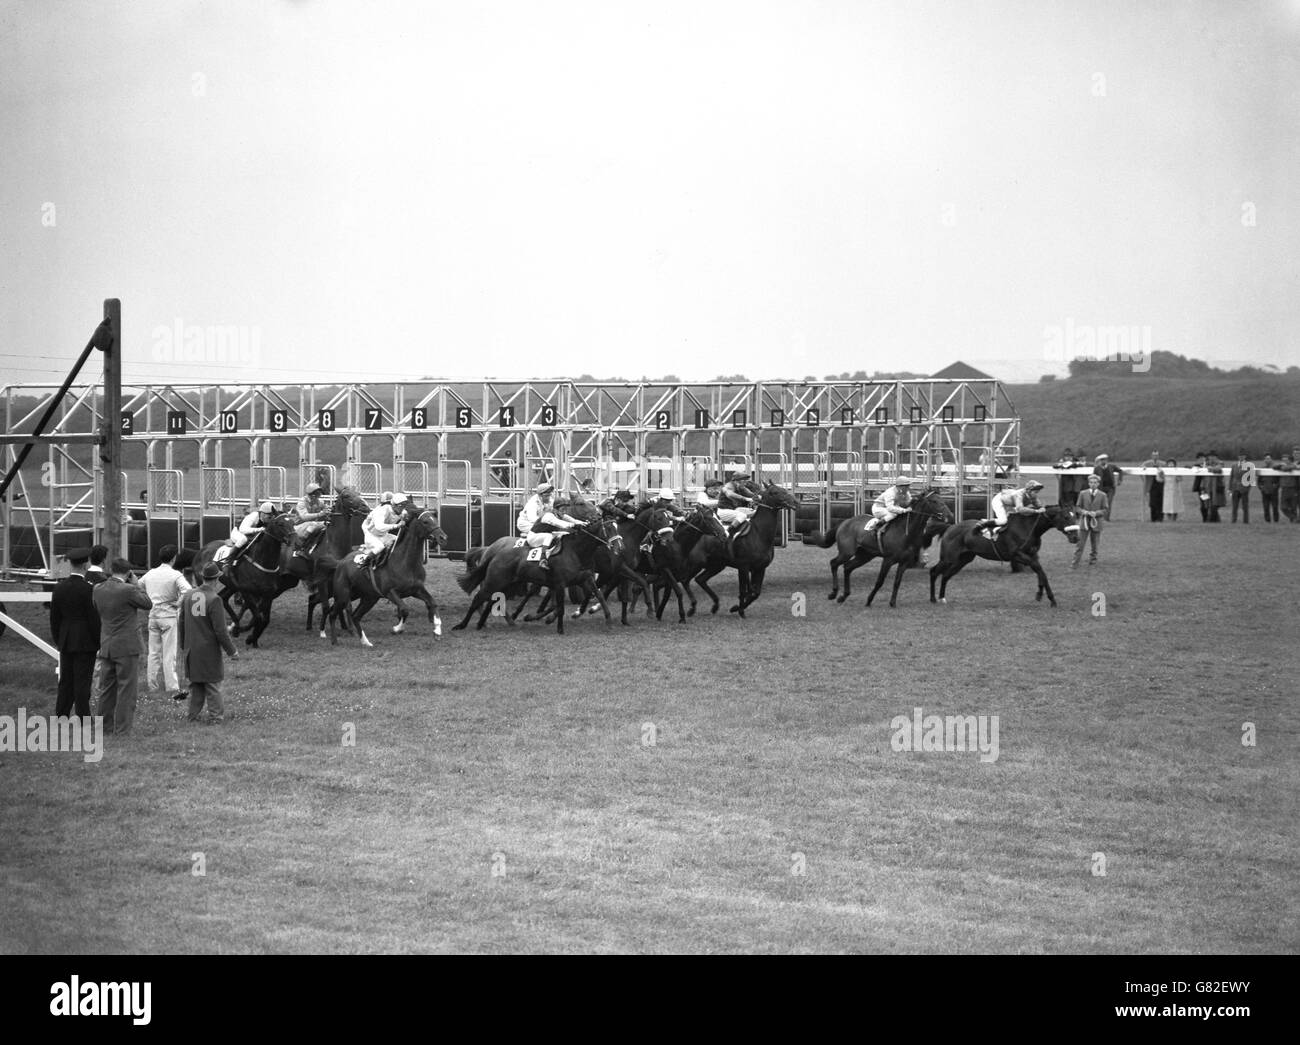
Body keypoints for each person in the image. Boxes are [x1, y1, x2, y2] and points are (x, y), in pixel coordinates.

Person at [92, 558, 153, 735]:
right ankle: (123, 729)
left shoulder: (97, 589)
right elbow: (147, 603)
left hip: (106, 644)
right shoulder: (129, 590)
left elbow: (96, 608)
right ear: (129, 573)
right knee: (127, 689)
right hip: (126, 646)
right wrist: (136, 584)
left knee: (106, 689)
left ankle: (104, 727)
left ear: (111, 569)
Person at [177, 562, 239, 724]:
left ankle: (192, 716)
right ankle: (216, 717)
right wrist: (232, 651)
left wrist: (183, 644)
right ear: (216, 579)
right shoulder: (215, 599)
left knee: (196, 684)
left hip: (191, 649)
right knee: (212, 685)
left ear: (203, 577)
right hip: (208, 650)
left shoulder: (188, 596)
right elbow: (220, 631)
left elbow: (181, 621)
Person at [49, 547, 101, 718]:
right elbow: (93, 619)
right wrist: (98, 640)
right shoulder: (88, 589)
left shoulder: (59, 588)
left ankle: (61, 714)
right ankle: (83, 716)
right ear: (86, 565)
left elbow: (54, 618)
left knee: (65, 681)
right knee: (82, 681)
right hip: (85, 640)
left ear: (70, 564)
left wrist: (59, 639)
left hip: (65, 638)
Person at [140, 544, 192, 702]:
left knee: (153, 653)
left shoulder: (150, 573)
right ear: (173, 558)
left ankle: (152, 685)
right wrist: (179, 602)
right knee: (169, 653)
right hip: (168, 616)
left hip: (153, 615)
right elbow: (188, 590)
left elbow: (139, 586)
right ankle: (172, 686)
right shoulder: (175, 574)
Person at [978, 480, 1045, 540]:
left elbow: (1039, 506)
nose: (1036, 494)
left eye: (1037, 492)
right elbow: (1020, 509)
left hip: (1010, 504)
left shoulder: (1032, 496)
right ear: (1029, 490)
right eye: (1035, 492)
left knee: (1015, 520)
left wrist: (1041, 508)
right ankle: (984, 523)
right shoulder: (1018, 494)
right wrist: (1035, 511)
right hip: (999, 501)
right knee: (1003, 521)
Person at [359, 492, 408, 565]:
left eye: (404, 506)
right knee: (380, 547)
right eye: (401, 506)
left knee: (401, 540)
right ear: (394, 505)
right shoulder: (381, 510)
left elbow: (406, 515)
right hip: (371, 535)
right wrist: (397, 525)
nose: (402, 509)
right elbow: (379, 527)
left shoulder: (400, 511)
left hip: (384, 535)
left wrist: (406, 519)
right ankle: (363, 562)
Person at [1072, 474, 1108, 568]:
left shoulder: (1102, 495)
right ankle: (1075, 562)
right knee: (1080, 544)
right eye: (1091, 482)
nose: (1093, 484)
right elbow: (1078, 507)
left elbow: (1105, 509)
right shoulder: (1082, 493)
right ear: (1088, 483)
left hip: (1097, 522)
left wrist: (1096, 513)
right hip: (1084, 522)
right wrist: (1084, 512)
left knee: (1095, 544)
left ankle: (1093, 561)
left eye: (1095, 483)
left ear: (1098, 484)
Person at [291, 482, 329, 553]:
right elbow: (304, 517)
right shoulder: (302, 502)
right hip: (298, 527)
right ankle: (301, 545)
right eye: (318, 493)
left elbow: (326, 510)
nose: (319, 495)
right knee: (313, 524)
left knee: (327, 524)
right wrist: (320, 514)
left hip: (311, 526)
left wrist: (328, 511)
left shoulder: (319, 501)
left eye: (319, 493)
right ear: (312, 494)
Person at [1228, 450, 1255, 524]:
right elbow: (1231, 477)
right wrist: (1230, 488)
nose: (1241, 457)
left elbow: (1251, 479)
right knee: (1234, 506)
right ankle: (1233, 520)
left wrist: (1247, 488)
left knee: (1245, 506)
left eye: (1242, 455)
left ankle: (1246, 521)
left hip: (1244, 488)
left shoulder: (1249, 465)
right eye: (1239, 456)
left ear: (1245, 456)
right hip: (1235, 488)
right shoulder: (1234, 465)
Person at [1258, 454, 1280, 523]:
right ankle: (1267, 520)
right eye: (1266, 459)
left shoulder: (1275, 468)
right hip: (1265, 491)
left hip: (1273, 491)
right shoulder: (1262, 469)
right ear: (1264, 460)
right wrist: (1261, 487)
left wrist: (1275, 487)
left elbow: (1279, 480)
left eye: (1268, 458)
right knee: (1266, 507)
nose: (1267, 460)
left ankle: (1276, 520)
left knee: (1275, 507)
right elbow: (1259, 481)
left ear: (1271, 459)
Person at [1277, 452, 1299, 523]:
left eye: (1286, 460)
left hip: (1293, 489)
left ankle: (1293, 521)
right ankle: (1294, 518)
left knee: (1293, 507)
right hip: (1284, 489)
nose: (1284, 461)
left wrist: (1291, 467)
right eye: (1283, 460)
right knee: (1283, 507)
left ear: (1289, 460)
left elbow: (1287, 467)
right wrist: (1284, 467)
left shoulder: (1293, 465)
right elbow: (1276, 467)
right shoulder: (1281, 466)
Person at [1146, 455, 1165, 523]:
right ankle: (1153, 518)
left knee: (1160, 502)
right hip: (1152, 485)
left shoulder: (1163, 464)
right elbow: (1141, 468)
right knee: (1152, 503)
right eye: (1154, 455)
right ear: (1151, 456)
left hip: (1161, 485)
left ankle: (1160, 518)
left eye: (1156, 455)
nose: (1155, 457)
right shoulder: (1147, 463)